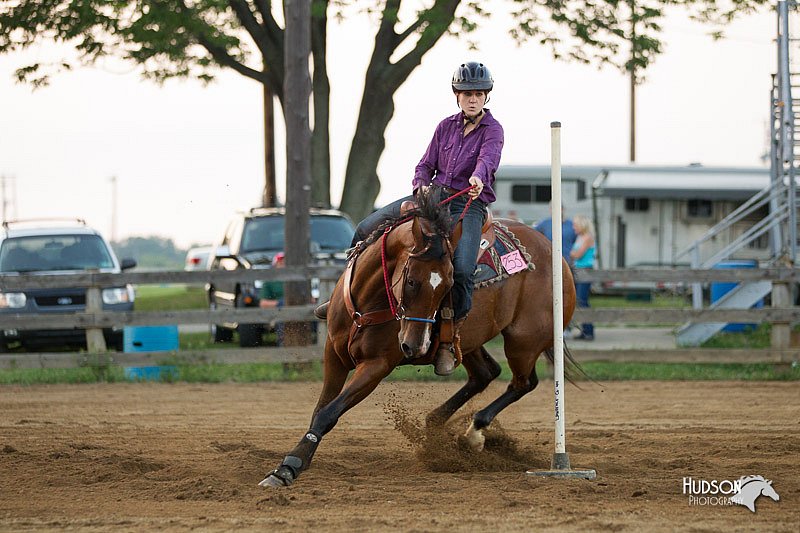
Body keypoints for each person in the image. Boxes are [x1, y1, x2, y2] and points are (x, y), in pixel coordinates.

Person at [315, 61, 504, 376]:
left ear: (486, 96)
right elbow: (425, 164)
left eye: (479, 93)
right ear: (457, 95)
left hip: (468, 205)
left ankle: (448, 339)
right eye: (467, 93)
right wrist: (420, 187)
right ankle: (340, 298)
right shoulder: (445, 126)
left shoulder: (493, 130)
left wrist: (478, 177)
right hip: (433, 199)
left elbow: (489, 158)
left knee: (463, 269)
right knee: (364, 229)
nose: (473, 98)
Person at [570, 216, 596, 340]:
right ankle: (585, 330)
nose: (574, 227)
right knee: (578, 301)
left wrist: (573, 254)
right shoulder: (580, 237)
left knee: (582, 300)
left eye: (575, 225)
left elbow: (577, 254)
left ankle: (589, 330)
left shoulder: (587, 238)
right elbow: (574, 254)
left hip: (585, 271)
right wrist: (573, 254)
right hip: (578, 271)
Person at [260, 252, 286, 345]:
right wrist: (280, 303)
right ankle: (282, 344)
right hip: (278, 311)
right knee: (282, 316)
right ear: (275, 265)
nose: (283, 264)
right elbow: (263, 303)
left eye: (285, 262)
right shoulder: (269, 281)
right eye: (280, 262)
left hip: (298, 308)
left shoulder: (297, 278)